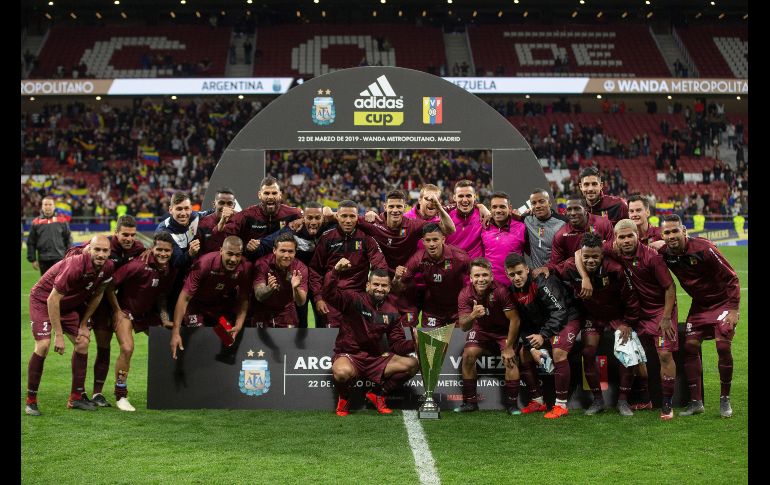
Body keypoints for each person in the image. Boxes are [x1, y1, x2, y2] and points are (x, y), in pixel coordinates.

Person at [576, 219, 679, 420]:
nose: (625, 240)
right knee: (634, 353)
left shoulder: (652, 257)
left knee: (665, 354)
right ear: (615, 239)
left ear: (637, 236)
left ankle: (667, 405)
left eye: (629, 236)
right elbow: (579, 253)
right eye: (621, 237)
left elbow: (670, 287)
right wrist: (585, 278)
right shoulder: (612, 249)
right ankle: (645, 398)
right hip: (637, 312)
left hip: (659, 311)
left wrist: (666, 317)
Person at [658, 214, 739, 418]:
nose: (671, 236)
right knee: (690, 347)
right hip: (700, 306)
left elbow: (732, 278)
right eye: (667, 232)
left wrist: (733, 309)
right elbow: (648, 251)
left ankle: (724, 399)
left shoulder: (704, 248)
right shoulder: (666, 254)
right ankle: (696, 402)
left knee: (722, 345)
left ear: (684, 231)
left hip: (721, 303)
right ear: (663, 235)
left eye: (675, 231)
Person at [552, 233, 642, 416]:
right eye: (586, 257)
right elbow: (554, 272)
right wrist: (543, 271)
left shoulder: (615, 269)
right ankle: (598, 400)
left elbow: (631, 299)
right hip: (592, 316)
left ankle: (623, 401)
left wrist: (628, 323)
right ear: (580, 256)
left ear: (602, 256)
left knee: (627, 350)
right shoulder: (570, 267)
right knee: (588, 352)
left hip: (617, 316)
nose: (591, 260)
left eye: (595, 256)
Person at [25, 235, 115, 416]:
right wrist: (58, 335)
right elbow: (52, 299)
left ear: (110, 252)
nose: (100, 254)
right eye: (97, 249)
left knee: (82, 341)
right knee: (43, 345)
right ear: (89, 249)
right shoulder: (74, 265)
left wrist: (83, 324)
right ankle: (31, 401)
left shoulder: (108, 267)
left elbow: (98, 295)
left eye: (105, 250)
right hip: (43, 301)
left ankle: (75, 398)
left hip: (68, 305)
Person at [65, 215, 145, 407]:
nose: (129, 238)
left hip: (110, 303)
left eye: (132, 235)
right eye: (125, 234)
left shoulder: (139, 249)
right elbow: (75, 252)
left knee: (104, 346)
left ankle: (97, 393)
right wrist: (79, 251)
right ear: (116, 233)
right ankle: (79, 391)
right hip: (90, 300)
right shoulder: (105, 246)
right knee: (81, 343)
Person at [323, 259, 418, 416]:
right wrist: (335, 272)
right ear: (368, 286)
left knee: (412, 364)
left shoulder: (392, 312)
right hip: (350, 356)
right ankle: (345, 397)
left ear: (389, 288)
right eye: (376, 285)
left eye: (384, 286)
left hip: (376, 358)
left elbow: (397, 345)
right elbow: (328, 294)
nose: (379, 289)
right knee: (341, 372)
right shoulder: (353, 300)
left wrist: (414, 343)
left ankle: (377, 394)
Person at [358, 189, 455, 325]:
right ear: (385, 206)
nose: (395, 210)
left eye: (399, 206)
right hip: (382, 287)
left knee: (409, 330)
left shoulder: (413, 226)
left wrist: (438, 206)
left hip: (406, 288)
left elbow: (450, 229)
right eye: (391, 206)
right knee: (380, 330)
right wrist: (328, 212)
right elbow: (346, 218)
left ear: (405, 207)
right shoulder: (375, 223)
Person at [105, 232, 176, 411]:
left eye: (166, 251)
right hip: (127, 312)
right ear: (152, 248)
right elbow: (109, 285)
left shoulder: (168, 270)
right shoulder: (137, 265)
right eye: (159, 249)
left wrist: (164, 319)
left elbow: (161, 297)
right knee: (127, 348)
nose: (163, 254)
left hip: (146, 315)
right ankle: (121, 395)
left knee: (172, 341)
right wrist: (117, 311)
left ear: (172, 251)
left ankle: (169, 389)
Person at [506, 253, 581, 419]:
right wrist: (531, 345)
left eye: (519, 272)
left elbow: (560, 310)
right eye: (512, 275)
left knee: (558, 351)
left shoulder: (541, 282)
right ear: (507, 274)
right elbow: (523, 323)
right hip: (546, 324)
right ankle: (538, 401)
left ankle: (561, 405)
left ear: (527, 269)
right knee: (524, 353)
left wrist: (543, 335)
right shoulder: (512, 291)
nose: (517, 278)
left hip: (568, 317)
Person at [455, 258, 522, 415]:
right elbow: (464, 327)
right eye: (477, 276)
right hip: (481, 329)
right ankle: (470, 402)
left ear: (491, 276)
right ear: (471, 278)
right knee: (468, 355)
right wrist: (472, 315)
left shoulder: (501, 291)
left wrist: (508, 347)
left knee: (510, 359)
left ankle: (512, 405)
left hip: (503, 331)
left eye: (485, 275)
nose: (481, 279)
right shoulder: (465, 294)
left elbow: (515, 319)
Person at [169, 236, 251, 360]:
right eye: (229, 254)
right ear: (221, 250)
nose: (234, 259)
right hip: (195, 307)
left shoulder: (245, 267)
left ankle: (219, 374)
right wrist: (175, 332)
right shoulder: (204, 264)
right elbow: (184, 298)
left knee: (228, 339)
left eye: (238, 255)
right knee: (199, 341)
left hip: (218, 308)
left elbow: (244, 299)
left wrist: (238, 325)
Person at [308, 200, 387, 328]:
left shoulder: (366, 238)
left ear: (358, 218)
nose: (348, 220)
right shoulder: (327, 238)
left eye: (352, 216)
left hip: (358, 299)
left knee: (356, 341)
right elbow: (315, 271)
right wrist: (318, 298)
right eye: (344, 216)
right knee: (331, 341)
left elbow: (380, 266)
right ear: (337, 216)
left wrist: (371, 291)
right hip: (331, 300)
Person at [258, 202, 334, 327]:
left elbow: (346, 215)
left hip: (320, 285)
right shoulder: (294, 230)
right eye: (309, 218)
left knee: (323, 322)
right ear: (303, 218)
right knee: (301, 323)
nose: (313, 221)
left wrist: (333, 214)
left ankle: (319, 346)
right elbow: (270, 242)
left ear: (323, 218)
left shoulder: (329, 228)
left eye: (317, 217)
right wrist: (254, 246)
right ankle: (301, 346)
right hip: (297, 283)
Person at [392, 223, 470, 328]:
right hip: (433, 310)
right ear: (423, 241)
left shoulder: (460, 258)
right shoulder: (418, 259)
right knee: (430, 344)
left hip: (457, 309)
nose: (431, 244)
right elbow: (398, 288)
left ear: (443, 239)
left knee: (456, 344)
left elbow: (475, 279)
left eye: (435, 240)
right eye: (428, 240)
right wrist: (396, 278)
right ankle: (408, 339)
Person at [223, 176, 302, 262]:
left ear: (280, 195)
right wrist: (246, 248)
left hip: (283, 263)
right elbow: (225, 235)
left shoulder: (294, 214)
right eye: (267, 193)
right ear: (259, 195)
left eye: (274, 193)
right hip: (254, 264)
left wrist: (303, 220)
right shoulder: (246, 215)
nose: (271, 197)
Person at [252, 233, 308, 328]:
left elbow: (300, 302)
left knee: (287, 342)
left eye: (290, 251)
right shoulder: (262, 264)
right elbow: (258, 295)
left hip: (286, 311)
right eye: (282, 251)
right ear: (274, 250)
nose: (287, 255)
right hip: (262, 310)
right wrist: (269, 288)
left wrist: (296, 288)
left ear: (295, 252)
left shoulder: (300, 268)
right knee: (259, 343)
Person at [549, 195, 613, 266]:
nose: (573, 213)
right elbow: (555, 264)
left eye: (577, 209)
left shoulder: (604, 223)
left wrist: (602, 248)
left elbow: (613, 248)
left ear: (586, 210)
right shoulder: (560, 235)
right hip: (575, 272)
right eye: (569, 209)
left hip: (603, 267)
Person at [481, 191, 526, 286]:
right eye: (494, 207)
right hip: (492, 287)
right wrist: (480, 205)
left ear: (509, 208)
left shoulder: (522, 227)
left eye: (502, 206)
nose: (498, 210)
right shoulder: (484, 227)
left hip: (515, 287)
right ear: (490, 209)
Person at [522, 188, 567, 270]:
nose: (538, 206)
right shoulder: (526, 219)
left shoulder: (563, 222)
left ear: (549, 203)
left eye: (541, 201)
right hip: (537, 276)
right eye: (534, 203)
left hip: (558, 273)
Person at [27, 195, 72, 276]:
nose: (48, 207)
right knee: (45, 286)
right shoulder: (36, 222)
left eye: (50, 204)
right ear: (42, 207)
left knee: (59, 285)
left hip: (59, 258)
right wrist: (33, 259)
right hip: (43, 259)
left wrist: (69, 257)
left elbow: (68, 240)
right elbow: (31, 242)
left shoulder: (62, 221)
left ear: (54, 206)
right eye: (45, 204)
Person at [445, 180, 487, 259]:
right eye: (461, 196)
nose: (465, 200)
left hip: (476, 269)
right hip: (454, 268)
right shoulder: (446, 217)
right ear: (454, 197)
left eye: (468, 196)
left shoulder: (483, 215)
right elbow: (445, 250)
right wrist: (447, 268)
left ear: (474, 197)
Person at [195, 187, 238, 255]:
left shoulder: (239, 222)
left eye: (229, 203)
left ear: (234, 205)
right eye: (222, 203)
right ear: (214, 204)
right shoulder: (203, 223)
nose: (225, 207)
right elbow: (197, 252)